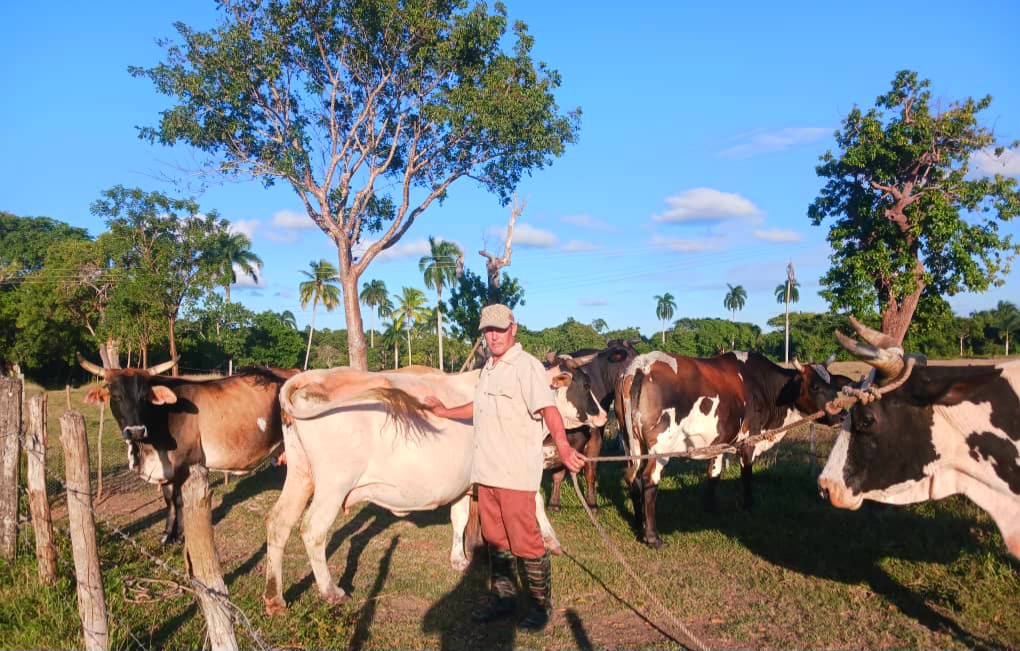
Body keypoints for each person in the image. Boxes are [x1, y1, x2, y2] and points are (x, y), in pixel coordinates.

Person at [424, 303, 586, 632]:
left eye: (499, 329)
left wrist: (564, 446)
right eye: (488, 330)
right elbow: (479, 405)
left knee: (525, 540)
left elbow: (549, 410)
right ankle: (504, 598)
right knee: (496, 540)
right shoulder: (489, 369)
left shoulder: (526, 367)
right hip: (487, 474)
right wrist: (445, 412)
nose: (493, 336)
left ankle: (541, 605)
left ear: (513, 328)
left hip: (515, 474)